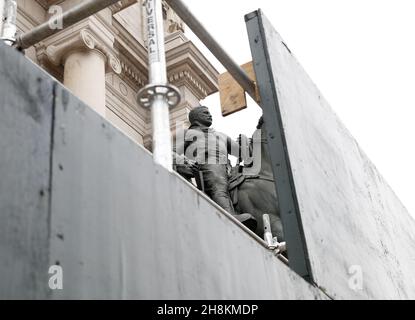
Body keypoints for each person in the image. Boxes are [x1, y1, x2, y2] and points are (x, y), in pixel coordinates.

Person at [173, 106, 257, 230]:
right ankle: (230, 216)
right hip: (207, 167)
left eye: (210, 112)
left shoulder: (221, 135)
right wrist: (186, 162)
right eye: (205, 113)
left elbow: (241, 153)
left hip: (227, 168)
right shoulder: (188, 134)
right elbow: (172, 152)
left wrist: (247, 143)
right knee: (218, 182)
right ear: (196, 117)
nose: (210, 115)